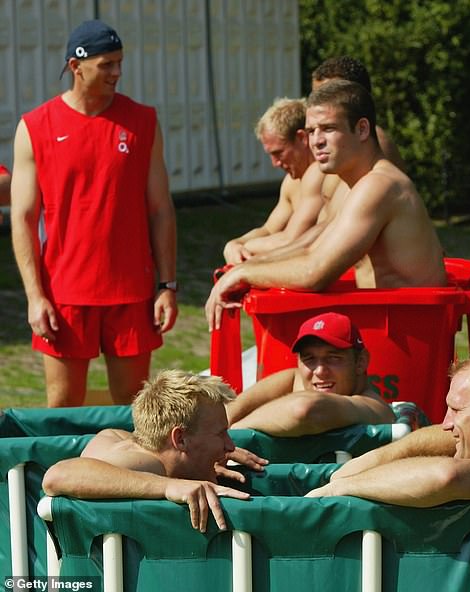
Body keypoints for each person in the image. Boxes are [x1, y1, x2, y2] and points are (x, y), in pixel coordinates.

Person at [10, 20, 178, 407]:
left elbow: (161, 210)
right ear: (76, 66)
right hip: (65, 292)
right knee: (63, 406)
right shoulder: (35, 126)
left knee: (136, 408)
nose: (117, 73)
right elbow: (22, 217)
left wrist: (167, 287)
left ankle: (131, 471)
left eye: (119, 63)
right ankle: (62, 471)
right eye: (107, 65)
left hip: (131, 290)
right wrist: (35, 297)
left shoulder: (142, 121)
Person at [206, 79, 446, 330]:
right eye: (311, 131)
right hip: (393, 332)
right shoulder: (361, 184)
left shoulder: (379, 185)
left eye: (328, 128)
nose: (316, 141)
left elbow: (315, 273)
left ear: (363, 129)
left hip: (409, 341)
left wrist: (242, 274)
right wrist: (249, 264)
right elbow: (311, 250)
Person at [305, 352, 470, 506]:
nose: (446, 423)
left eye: (456, 410)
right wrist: (392, 452)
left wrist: (340, 488)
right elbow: (444, 441)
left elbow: (446, 476)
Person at [42, 370, 268, 532]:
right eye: (221, 434)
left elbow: (114, 433)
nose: (230, 446)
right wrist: (169, 485)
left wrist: (208, 455)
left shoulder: (124, 440)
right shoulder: (150, 464)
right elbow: (57, 476)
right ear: (180, 439)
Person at [227, 312, 394, 435]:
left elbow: (306, 409)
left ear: (361, 362)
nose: (320, 371)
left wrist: (232, 434)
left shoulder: (374, 407)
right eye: (309, 359)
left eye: (333, 358)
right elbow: (227, 413)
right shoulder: (296, 378)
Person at [223, 98, 339, 264]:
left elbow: (292, 240)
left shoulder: (320, 173)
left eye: (279, 153)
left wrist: (245, 247)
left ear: (301, 138)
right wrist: (235, 244)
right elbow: (269, 229)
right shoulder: (291, 182)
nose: (275, 163)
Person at [311, 56, 407, 172]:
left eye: (329, 94)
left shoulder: (377, 146)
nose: (318, 103)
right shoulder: (332, 149)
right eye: (317, 95)